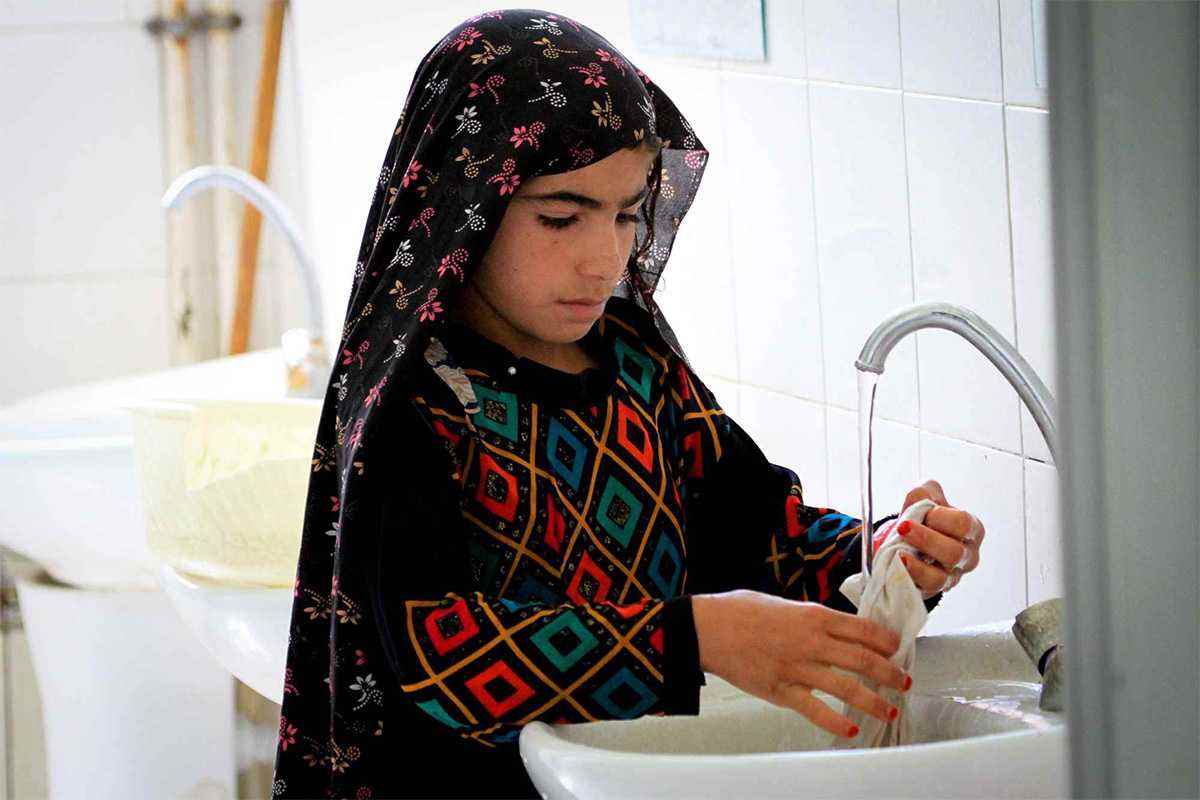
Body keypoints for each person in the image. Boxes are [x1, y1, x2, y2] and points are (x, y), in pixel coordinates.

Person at [270, 9, 986, 799]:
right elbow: (440, 655)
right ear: (464, 200)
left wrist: (889, 553)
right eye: (560, 216)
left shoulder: (638, 367)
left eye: (626, 214)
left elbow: (759, 534)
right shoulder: (414, 406)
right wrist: (692, 638)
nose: (604, 257)